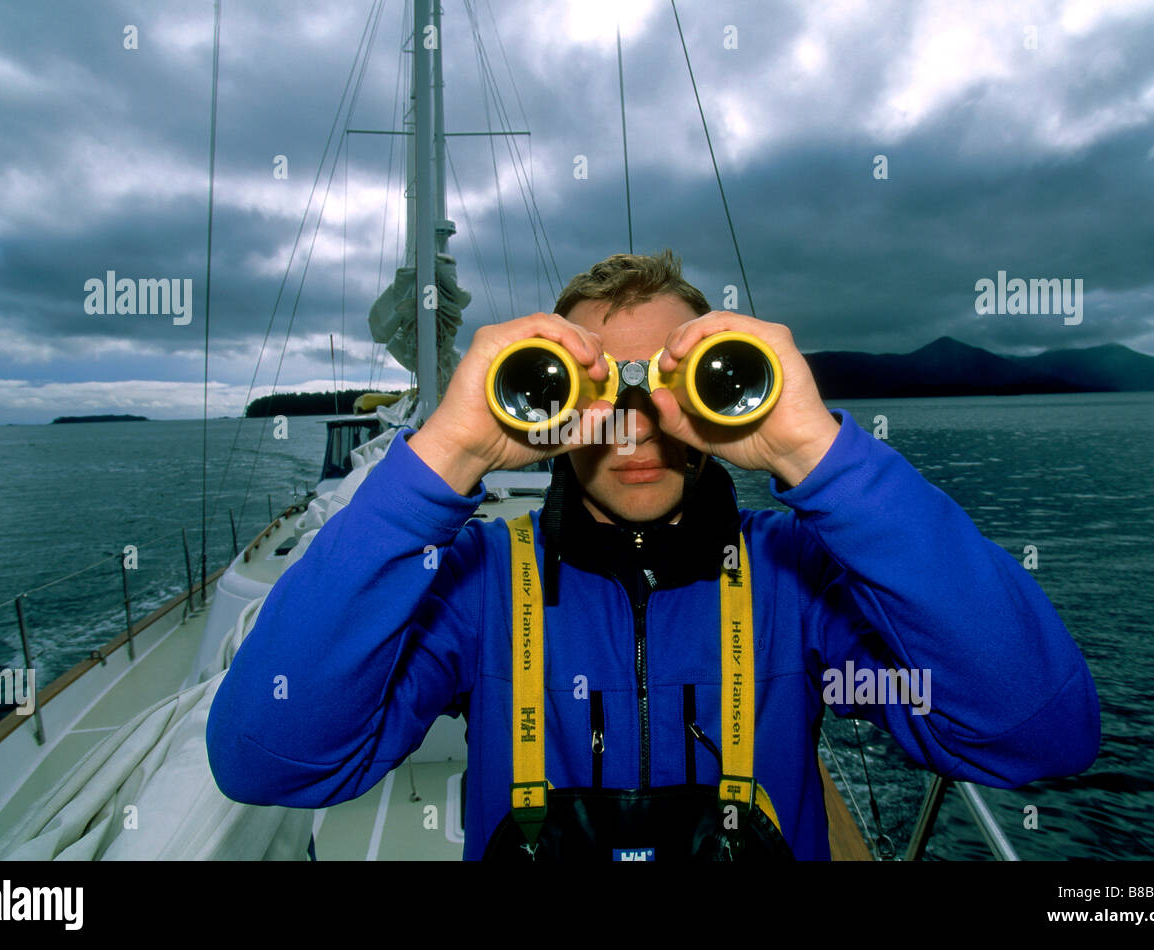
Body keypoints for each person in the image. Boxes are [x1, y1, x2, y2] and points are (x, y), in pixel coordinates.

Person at [206, 250, 1100, 860]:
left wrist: (819, 455)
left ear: (729, 399)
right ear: (542, 412)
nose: (633, 424)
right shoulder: (479, 586)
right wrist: (445, 456)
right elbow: (271, 758)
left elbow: (1035, 731)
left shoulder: (799, 579)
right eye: (591, 389)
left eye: (677, 387)